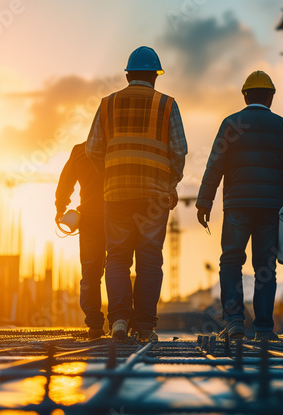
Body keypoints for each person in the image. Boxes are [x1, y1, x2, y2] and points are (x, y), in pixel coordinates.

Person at [86, 46, 187, 342]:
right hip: (154, 197)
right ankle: (144, 326)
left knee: (116, 257)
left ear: (128, 75)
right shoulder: (167, 105)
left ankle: (117, 320)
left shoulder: (107, 104)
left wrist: (110, 176)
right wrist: (171, 183)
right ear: (155, 77)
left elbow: (93, 149)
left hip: (116, 193)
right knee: (149, 259)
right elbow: (179, 150)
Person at [196, 70, 283, 342]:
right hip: (272, 208)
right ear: (270, 96)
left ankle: (234, 323)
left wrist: (204, 201)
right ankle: (264, 328)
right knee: (265, 266)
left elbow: (214, 165)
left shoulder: (231, 124)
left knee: (231, 262)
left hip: (237, 207)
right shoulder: (282, 127)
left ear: (245, 96)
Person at [55, 142, 106, 340]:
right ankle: (120, 321)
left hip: (89, 217)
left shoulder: (80, 150)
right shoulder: (119, 146)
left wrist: (61, 207)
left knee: (90, 271)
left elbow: (66, 180)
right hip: (117, 216)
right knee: (118, 266)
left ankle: (94, 324)